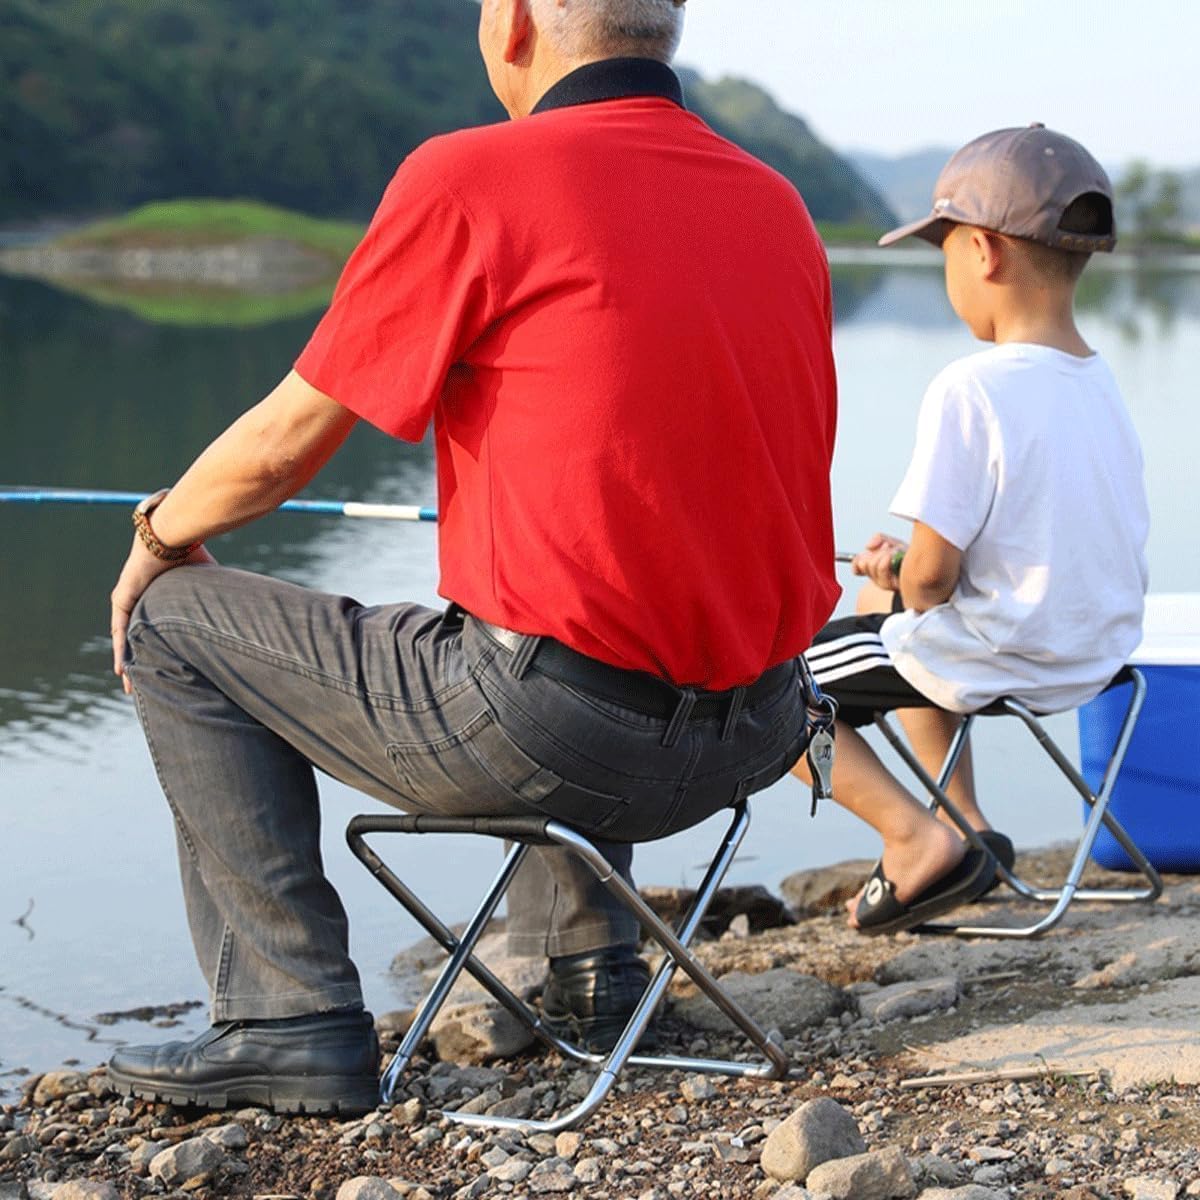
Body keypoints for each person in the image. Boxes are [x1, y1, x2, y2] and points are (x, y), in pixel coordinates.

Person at [104, 0, 840, 1115]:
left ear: (515, 25)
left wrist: (158, 536)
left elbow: (286, 444)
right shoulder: (775, 202)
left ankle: (283, 1018)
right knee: (559, 606)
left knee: (174, 625)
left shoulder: (475, 176)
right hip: (758, 728)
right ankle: (597, 981)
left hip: (571, 739)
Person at [793, 124, 1149, 935]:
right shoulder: (1100, 387)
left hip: (1001, 656)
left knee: (765, 685)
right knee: (896, 623)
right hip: (1094, 659)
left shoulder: (972, 387)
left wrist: (898, 571)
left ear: (984, 253)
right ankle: (967, 827)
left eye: (943, 252)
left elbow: (932, 581)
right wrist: (901, 583)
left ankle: (911, 839)